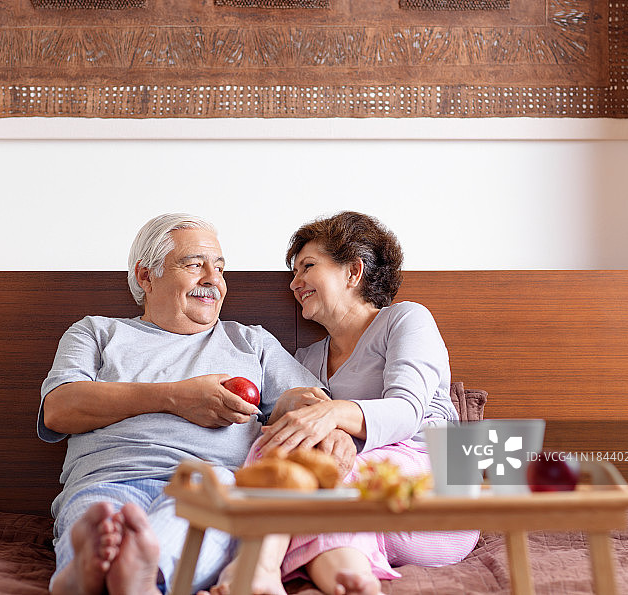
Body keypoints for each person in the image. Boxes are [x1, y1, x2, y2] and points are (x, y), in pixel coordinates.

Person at [38, 213, 333, 595]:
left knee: (218, 502)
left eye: (220, 268)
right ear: (146, 277)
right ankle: (93, 569)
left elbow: (319, 412)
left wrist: (295, 403)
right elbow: (59, 408)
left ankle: (132, 573)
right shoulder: (96, 332)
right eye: (195, 265)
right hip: (107, 481)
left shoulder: (250, 342)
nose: (213, 279)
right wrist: (177, 397)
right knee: (94, 521)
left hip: (207, 484)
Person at [204, 211, 478, 595]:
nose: (294, 283)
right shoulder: (306, 358)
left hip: (438, 489)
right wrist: (287, 412)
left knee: (320, 465)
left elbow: (406, 411)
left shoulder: (406, 320)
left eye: (307, 267)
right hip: (362, 506)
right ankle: (347, 579)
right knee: (284, 449)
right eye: (293, 274)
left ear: (354, 271)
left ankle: (258, 566)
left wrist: (329, 415)